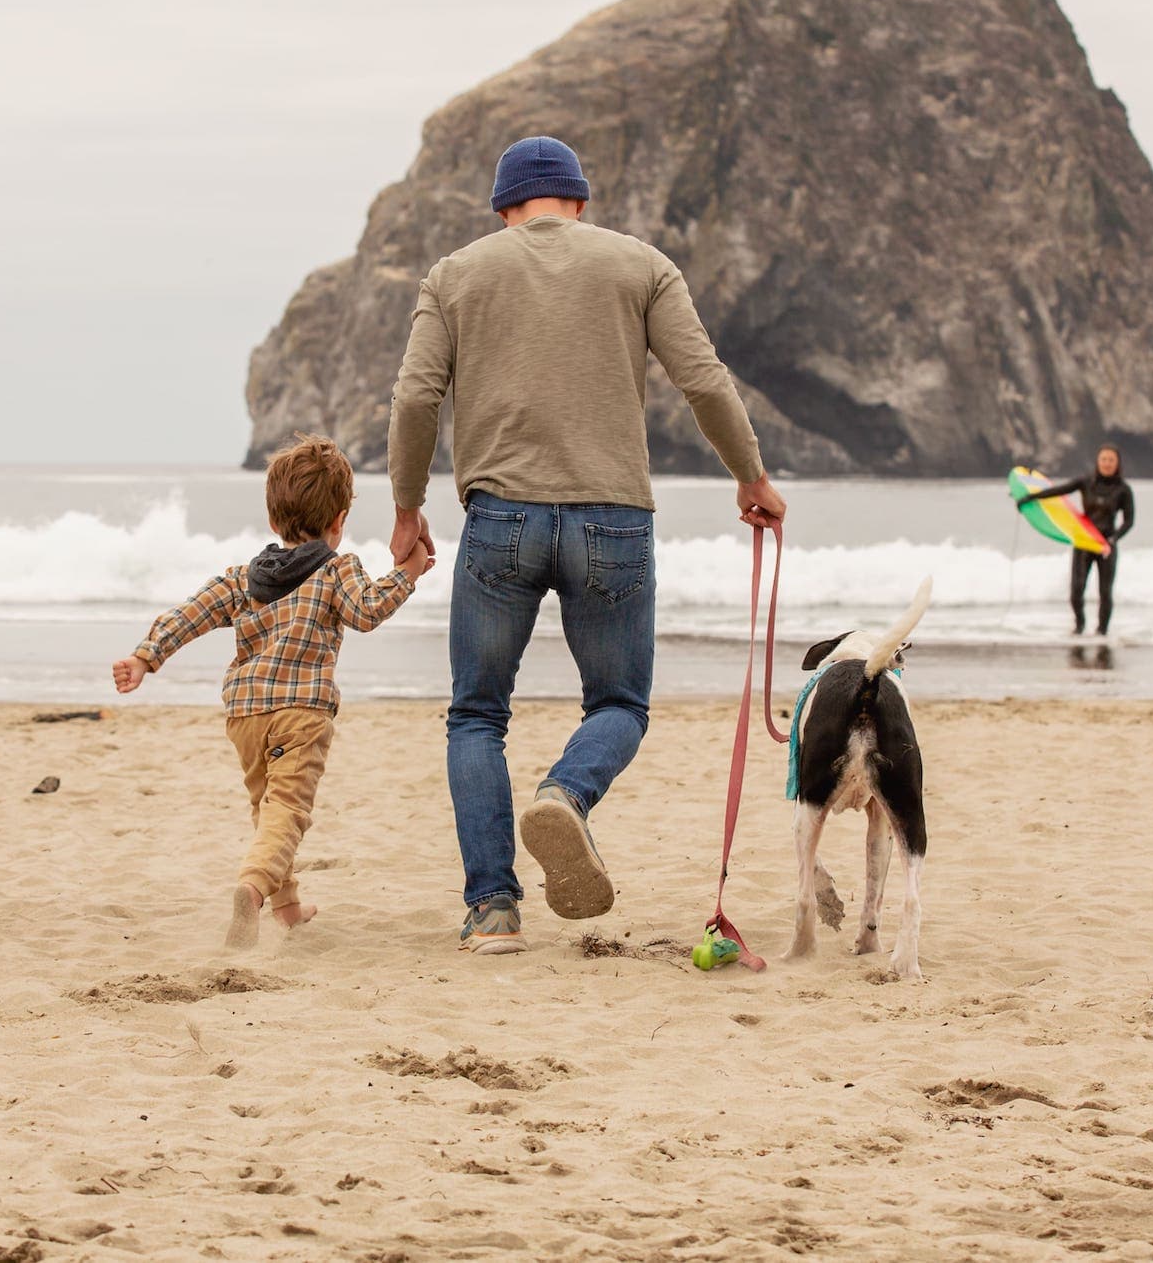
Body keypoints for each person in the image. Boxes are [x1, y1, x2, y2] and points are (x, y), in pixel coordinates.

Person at [388, 135, 786, 955]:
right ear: (579, 200)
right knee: (618, 704)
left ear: (505, 209)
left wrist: (405, 506)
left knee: (476, 715)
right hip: (614, 521)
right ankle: (566, 794)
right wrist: (750, 476)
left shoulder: (456, 274)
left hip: (500, 519)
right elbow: (703, 378)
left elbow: (416, 396)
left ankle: (492, 909)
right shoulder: (640, 265)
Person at [113, 435, 433, 948]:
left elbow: (192, 613)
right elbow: (368, 612)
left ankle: (286, 907)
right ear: (339, 520)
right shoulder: (337, 569)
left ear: (272, 521)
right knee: (288, 809)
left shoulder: (244, 578)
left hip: (245, 716)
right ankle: (254, 888)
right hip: (301, 713)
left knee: (268, 808)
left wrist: (146, 656)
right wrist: (408, 572)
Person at [1020, 445, 1136, 636]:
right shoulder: (1086, 482)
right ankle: (1079, 626)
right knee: (1076, 590)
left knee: (1105, 593)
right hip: (1083, 542)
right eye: (1104, 459)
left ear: (1117, 464)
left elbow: (1129, 521)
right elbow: (1058, 491)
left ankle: (1102, 632)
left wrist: (1114, 538)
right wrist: (1030, 497)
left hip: (1106, 545)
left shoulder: (1123, 490)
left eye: (1111, 460)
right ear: (1098, 462)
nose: (1107, 463)